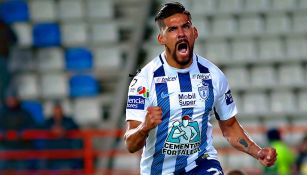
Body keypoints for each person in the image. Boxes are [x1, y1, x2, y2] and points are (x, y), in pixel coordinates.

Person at [124, 2, 277, 175]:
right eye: (172, 29)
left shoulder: (213, 75)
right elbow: (130, 144)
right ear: (162, 39)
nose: (181, 34)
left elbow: (230, 125)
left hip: (201, 164)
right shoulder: (144, 81)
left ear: (194, 32)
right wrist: (145, 126)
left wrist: (258, 152)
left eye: (186, 27)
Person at [0, 93, 37, 170]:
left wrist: (23, 132)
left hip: (21, 147)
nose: (11, 101)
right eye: (9, 99)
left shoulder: (25, 113)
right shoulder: (2, 113)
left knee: (21, 170)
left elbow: (32, 126)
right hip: (6, 147)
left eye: (13, 99)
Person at [43, 101, 83, 170]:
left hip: (66, 155)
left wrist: (64, 129)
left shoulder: (69, 121)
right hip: (52, 156)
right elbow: (41, 129)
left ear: (62, 111)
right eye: (56, 110)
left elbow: (75, 128)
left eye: (59, 110)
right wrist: (51, 130)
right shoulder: (48, 122)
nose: (57, 112)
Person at [0, 18, 17, 101]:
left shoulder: (6, 29)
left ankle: (2, 98)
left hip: (3, 56)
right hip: (3, 57)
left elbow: (14, 40)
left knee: (5, 79)